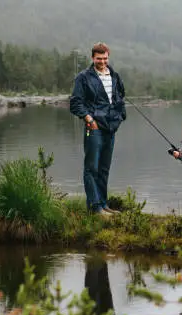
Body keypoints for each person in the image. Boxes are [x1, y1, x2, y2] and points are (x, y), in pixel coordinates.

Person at [69, 42, 127, 216]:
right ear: (92, 58)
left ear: (108, 57)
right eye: (99, 58)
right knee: (91, 168)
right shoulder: (83, 77)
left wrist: (120, 116)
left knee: (104, 168)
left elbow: (120, 97)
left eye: (105, 58)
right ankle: (95, 208)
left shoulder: (114, 76)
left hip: (111, 127)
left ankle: (104, 204)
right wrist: (89, 119)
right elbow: (75, 103)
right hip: (94, 127)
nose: (102, 61)